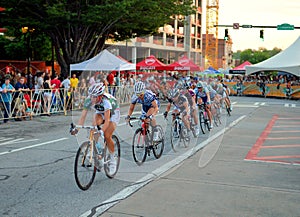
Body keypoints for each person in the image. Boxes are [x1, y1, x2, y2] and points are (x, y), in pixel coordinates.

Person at [71, 82, 120, 171]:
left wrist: (102, 131)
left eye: (94, 97)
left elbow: (107, 120)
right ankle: (96, 151)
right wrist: (76, 129)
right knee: (93, 128)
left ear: (100, 96)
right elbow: (82, 117)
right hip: (100, 111)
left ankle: (113, 160)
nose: (92, 98)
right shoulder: (89, 100)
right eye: (91, 96)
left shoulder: (106, 102)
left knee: (107, 135)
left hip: (113, 113)